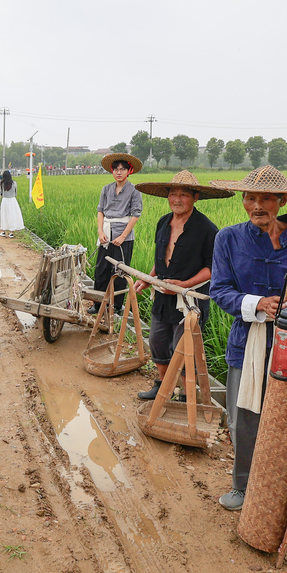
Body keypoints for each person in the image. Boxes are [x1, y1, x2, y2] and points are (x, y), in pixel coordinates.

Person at [206, 166, 287, 511]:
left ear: (282, 200)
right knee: (243, 419)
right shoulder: (228, 239)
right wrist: (257, 303)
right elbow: (219, 290)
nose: (257, 205)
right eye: (250, 198)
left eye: (266, 198)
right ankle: (243, 487)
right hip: (247, 342)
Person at [132, 171, 232, 399]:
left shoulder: (207, 229)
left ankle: (187, 396)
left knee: (185, 349)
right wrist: (148, 279)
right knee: (157, 342)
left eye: (184, 195)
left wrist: (184, 285)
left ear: (195, 197)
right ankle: (162, 386)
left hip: (190, 299)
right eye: (173, 194)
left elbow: (212, 268)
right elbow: (160, 258)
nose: (177, 199)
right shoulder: (163, 222)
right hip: (163, 295)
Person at [93, 153, 144, 314]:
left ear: (129, 171)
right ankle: (98, 304)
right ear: (112, 171)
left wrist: (122, 236)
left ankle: (116, 306)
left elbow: (135, 215)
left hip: (124, 237)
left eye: (122, 169)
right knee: (101, 269)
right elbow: (100, 211)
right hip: (106, 234)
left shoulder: (134, 191)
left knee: (120, 271)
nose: (119, 172)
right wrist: (100, 231)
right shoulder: (106, 189)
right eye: (116, 169)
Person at [0, 169, 24, 238]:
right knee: (12, 215)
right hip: (12, 200)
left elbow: (1, 192)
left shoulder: (1, 183)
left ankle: (3, 231)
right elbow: (15, 193)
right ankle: (11, 232)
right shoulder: (14, 183)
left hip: (5, 200)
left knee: (4, 215)